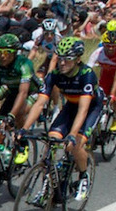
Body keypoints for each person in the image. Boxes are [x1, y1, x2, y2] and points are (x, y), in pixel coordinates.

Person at [20, 37, 101, 202]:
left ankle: (83, 176)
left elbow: (83, 109)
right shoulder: (54, 75)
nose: (62, 63)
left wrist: (72, 134)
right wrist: (24, 128)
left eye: (67, 59)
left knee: (75, 144)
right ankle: (47, 187)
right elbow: (40, 103)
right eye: (60, 58)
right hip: (71, 106)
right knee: (51, 141)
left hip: (90, 108)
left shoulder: (87, 75)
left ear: (78, 59)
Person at [0, 33, 40, 131]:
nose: (2, 56)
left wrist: (11, 115)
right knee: (0, 128)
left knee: (18, 113)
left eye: (6, 52)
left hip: (31, 92)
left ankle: (22, 139)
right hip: (12, 90)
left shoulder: (24, 64)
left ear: (14, 53)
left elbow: (23, 93)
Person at [87, 30, 116, 131]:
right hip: (106, 75)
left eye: (113, 45)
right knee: (100, 99)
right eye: (108, 45)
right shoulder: (98, 53)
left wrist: (113, 94)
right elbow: (87, 71)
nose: (111, 48)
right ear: (103, 44)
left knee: (115, 99)